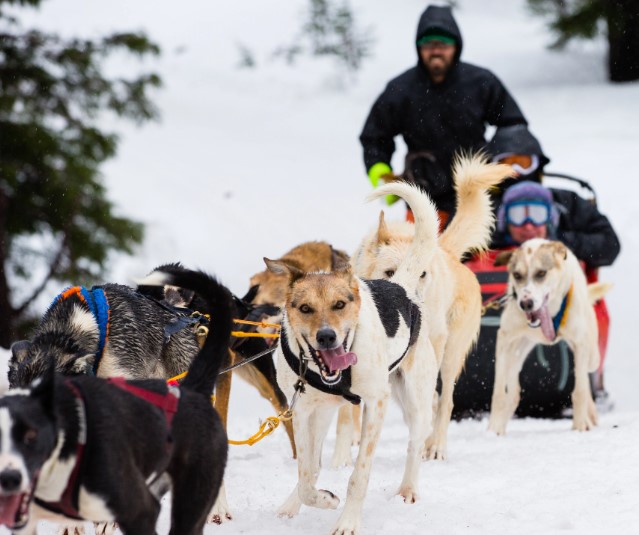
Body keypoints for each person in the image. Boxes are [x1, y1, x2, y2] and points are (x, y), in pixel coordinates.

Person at [359, 4, 527, 225]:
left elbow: (513, 125)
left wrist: (502, 165)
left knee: (477, 259)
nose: (436, 50)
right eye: (428, 44)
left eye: (443, 44)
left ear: (456, 46)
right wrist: (383, 177)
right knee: (423, 259)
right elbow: (374, 137)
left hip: (477, 198)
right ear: (418, 47)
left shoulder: (481, 82)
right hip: (423, 202)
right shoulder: (400, 90)